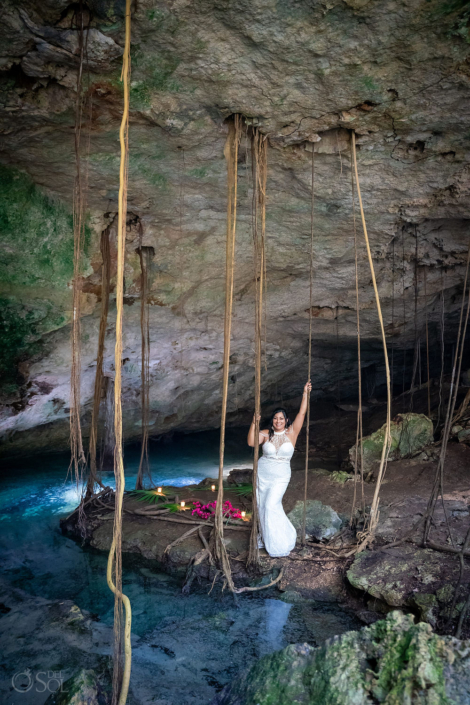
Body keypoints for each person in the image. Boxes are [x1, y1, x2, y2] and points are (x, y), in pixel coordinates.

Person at [247, 381, 312, 557]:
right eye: (275, 418)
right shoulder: (266, 433)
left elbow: (302, 412)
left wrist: (305, 393)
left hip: (281, 476)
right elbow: (251, 442)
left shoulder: (292, 433)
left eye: (281, 418)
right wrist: (254, 423)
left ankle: (279, 540)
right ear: (272, 420)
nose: (278, 421)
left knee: (271, 504)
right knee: (262, 506)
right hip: (263, 474)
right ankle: (264, 538)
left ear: (286, 420)